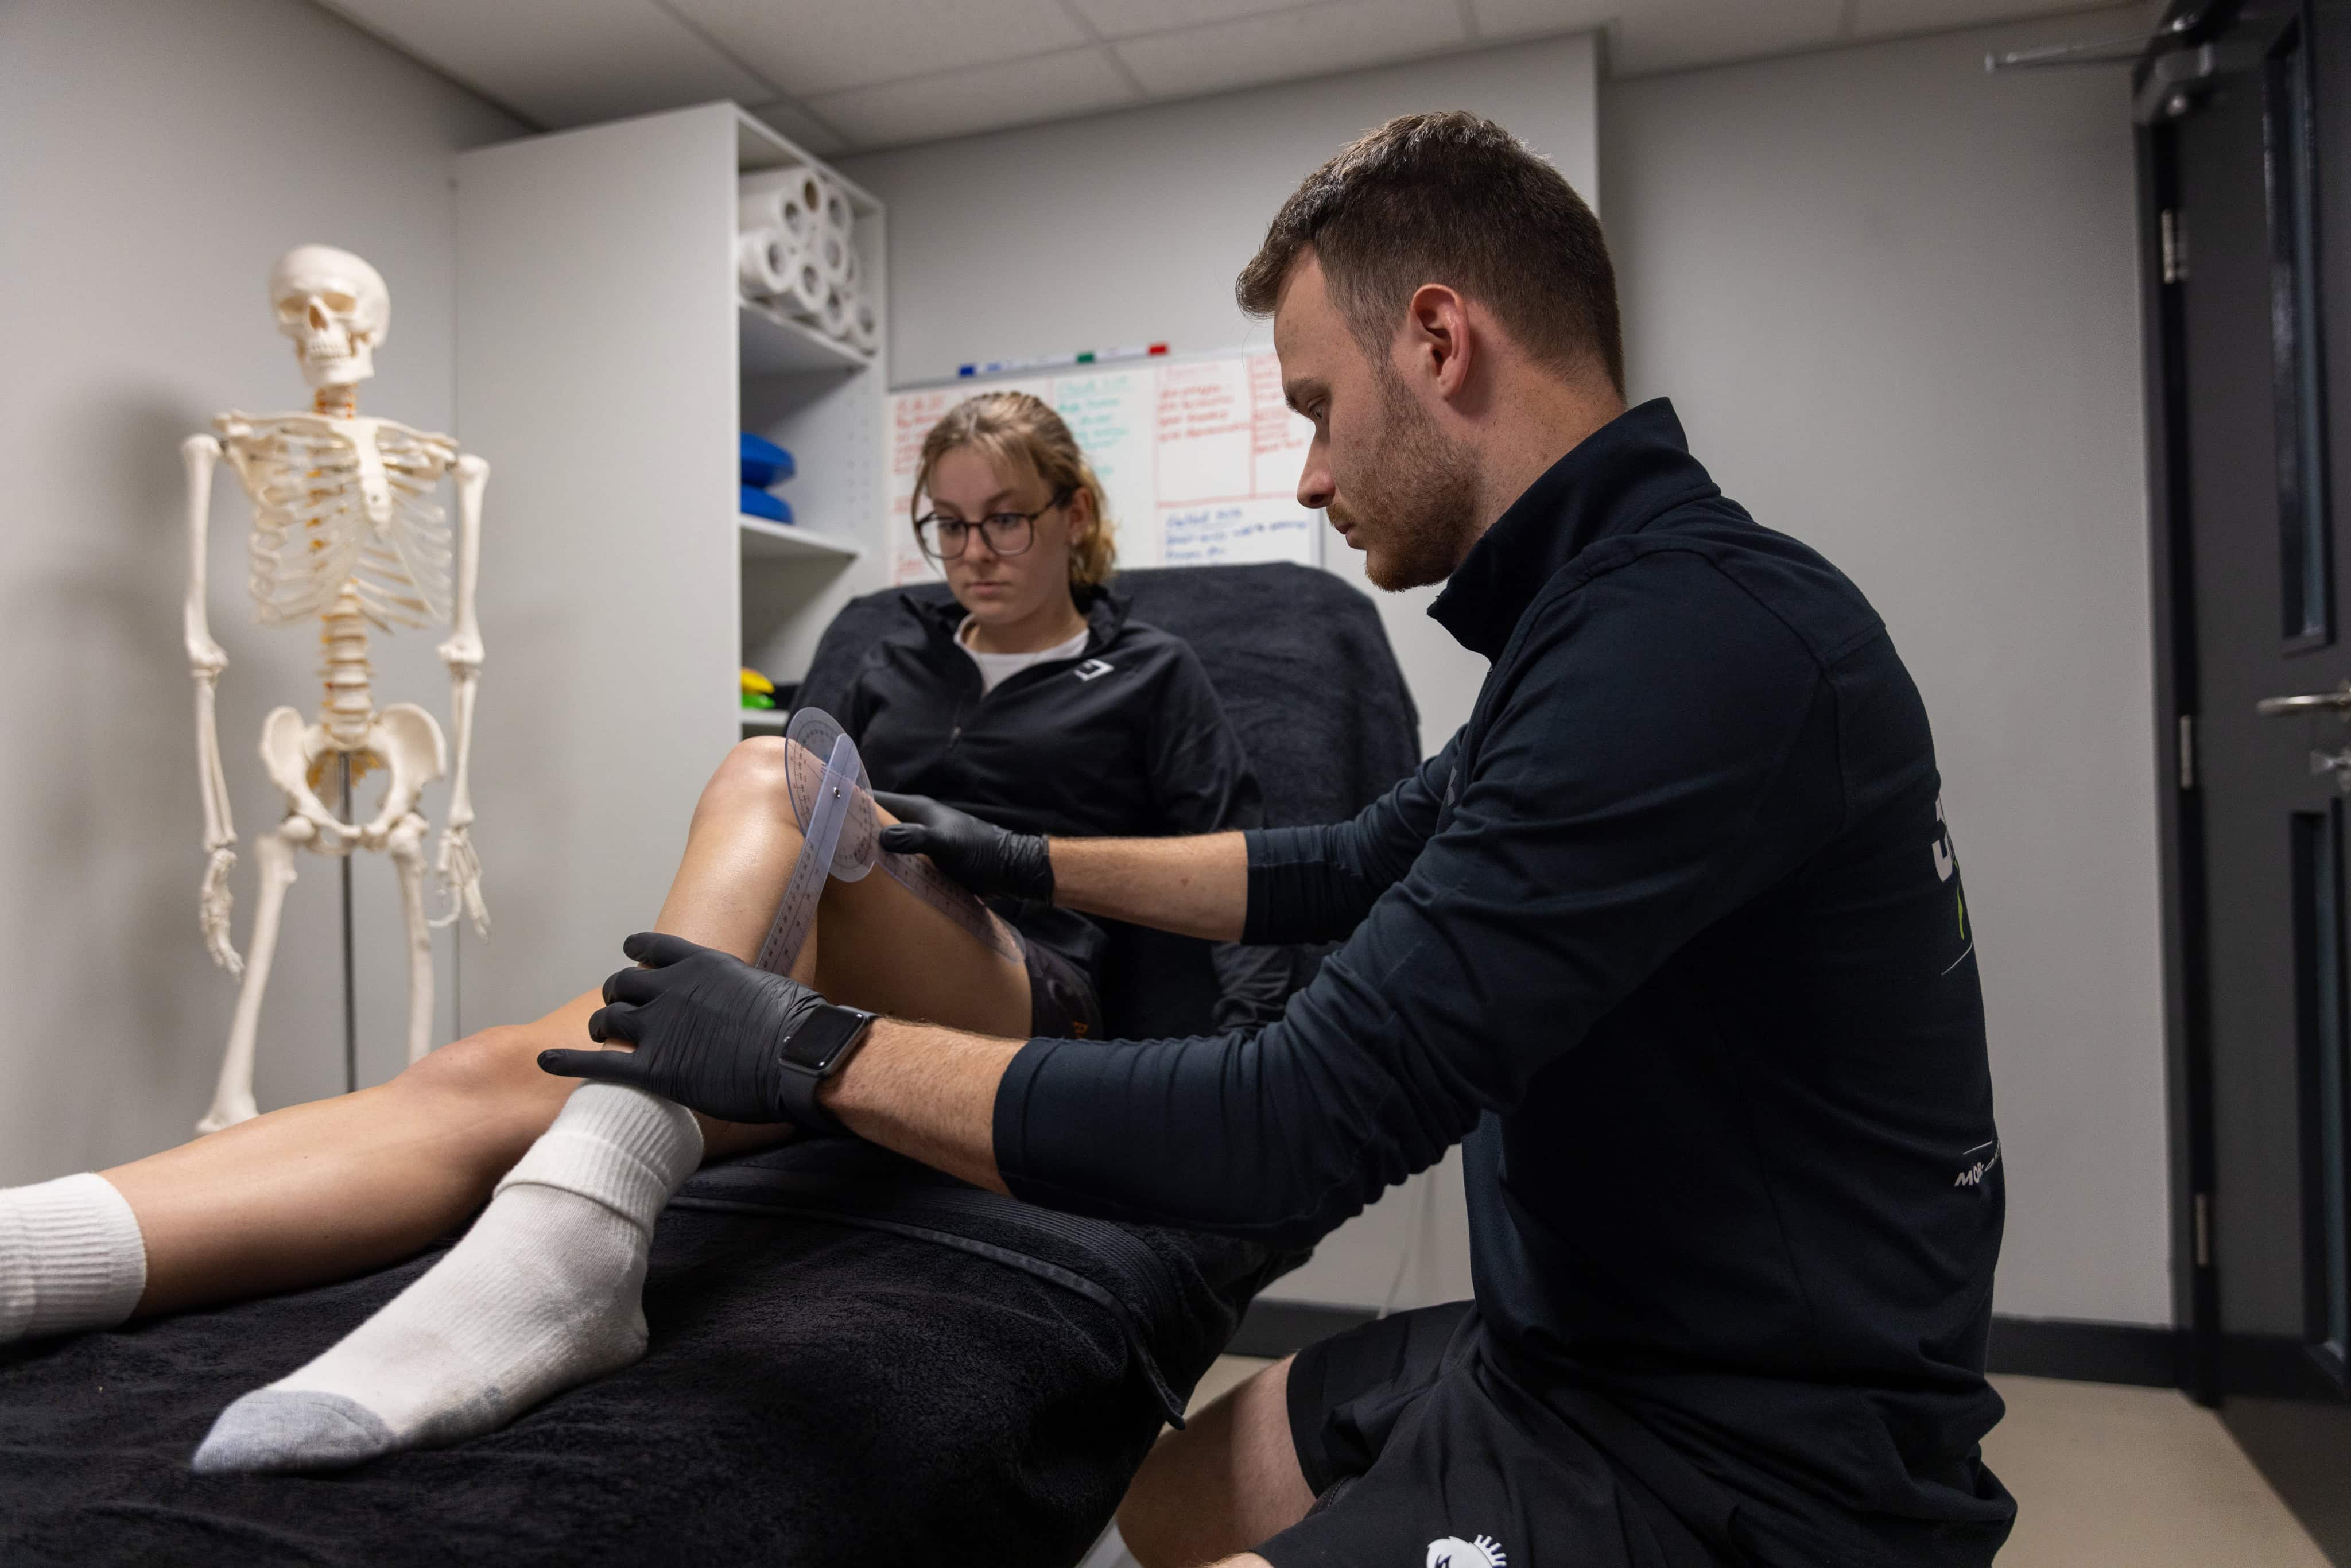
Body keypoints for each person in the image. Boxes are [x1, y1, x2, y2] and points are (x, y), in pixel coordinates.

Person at [537, 112, 2016, 1568]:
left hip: (1739, 1456)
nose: (1309, 474)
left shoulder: (1685, 648)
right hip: (1569, 1341)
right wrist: (1021, 856)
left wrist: (812, 1048)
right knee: (1135, 1514)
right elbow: (1354, 857)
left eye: (1314, 405)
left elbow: (1289, 1120)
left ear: (1439, 342)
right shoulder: (1603, 623)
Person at [0, 394, 1281, 1462]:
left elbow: (1234, 871)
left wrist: (1241, 1084)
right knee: (489, 1075)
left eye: (1004, 518)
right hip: (826, 983)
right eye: (944, 523)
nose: (973, 550)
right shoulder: (891, 650)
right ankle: (32, 1255)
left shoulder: (1154, 672)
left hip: (1019, 983)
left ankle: (574, 1244)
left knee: (763, 771)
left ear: (1072, 517)